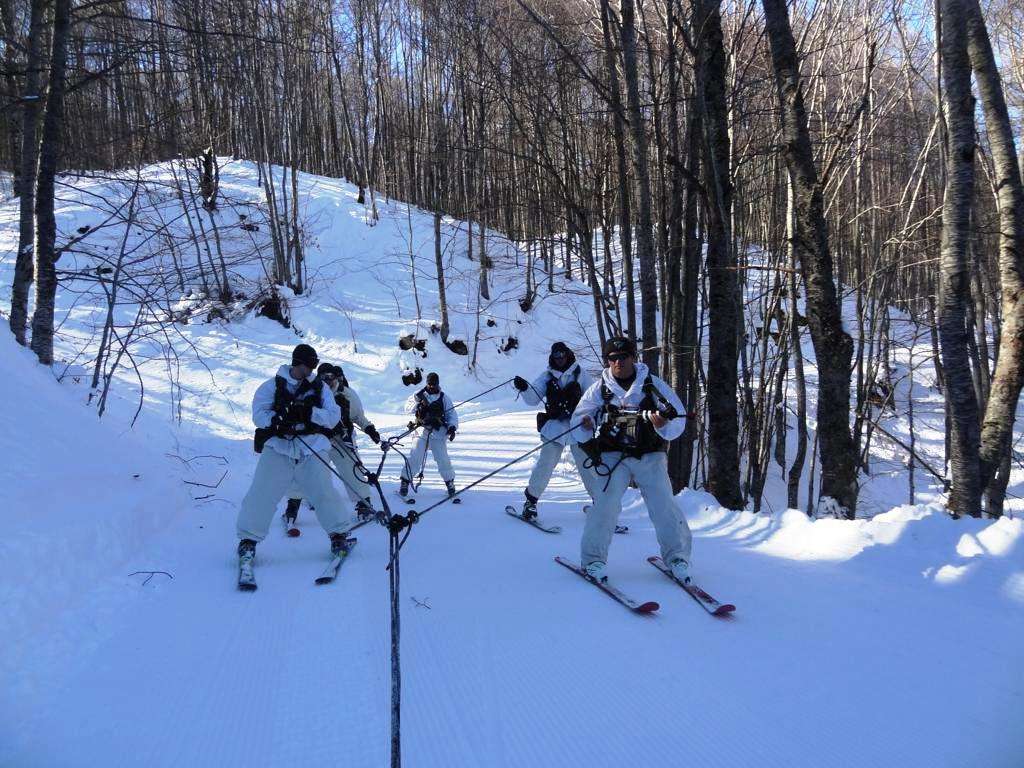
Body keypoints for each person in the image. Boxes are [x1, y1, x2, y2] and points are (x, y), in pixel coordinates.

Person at [571, 336, 692, 584]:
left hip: (649, 454)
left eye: (623, 357)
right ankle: (593, 560)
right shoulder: (599, 389)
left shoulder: (652, 385)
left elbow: (678, 418)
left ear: (633, 357)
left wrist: (662, 424)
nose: (618, 362)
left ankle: (677, 558)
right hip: (612, 457)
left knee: (664, 506)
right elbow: (578, 421)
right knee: (604, 506)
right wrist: (587, 425)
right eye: (612, 358)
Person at [237, 344, 357, 575]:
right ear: (297, 363)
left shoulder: (319, 388)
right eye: (308, 365)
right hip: (279, 447)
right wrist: (277, 420)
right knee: (262, 493)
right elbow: (258, 413)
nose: (312, 370)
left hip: (311, 447)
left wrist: (310, 414)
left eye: (314, 365)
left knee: (323, 492)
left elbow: (333, 417)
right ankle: (248, 542)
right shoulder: (272, 386)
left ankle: (339, 536)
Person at [283, 363, 382, 527]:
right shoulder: (312, 392)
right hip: (318, 438)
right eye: (322, 378)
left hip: (341, 440)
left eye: (330, 378)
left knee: (352, 468)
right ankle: (293, 505)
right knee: (306, 469)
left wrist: (370, 429)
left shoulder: (347, 394)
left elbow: (358, 417)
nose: (327, 381)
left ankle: (364, 503)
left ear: (336, 378)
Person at [512, 341, 599, 520]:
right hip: (555, 428)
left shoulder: (579, 373)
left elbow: (593, 398)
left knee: (588, 467)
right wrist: (524, 388)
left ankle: (601, 504)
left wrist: (591, 419)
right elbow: (533, 398)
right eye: (556, 356)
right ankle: (530, 503)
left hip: (578, 428)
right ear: (553, 357)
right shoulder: (547, 376)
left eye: (562, 355)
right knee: (545, 465)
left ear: (567, 354)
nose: (560, 359)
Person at [400, 372, 458, 499]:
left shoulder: (444, 398)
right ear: (426, 384)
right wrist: (416, 398)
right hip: (421, 431)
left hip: (438, 433)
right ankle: (405, 481)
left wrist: (452, 427)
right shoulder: (420, 395)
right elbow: (407, 408)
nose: (431, 387)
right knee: (415, 458)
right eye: (429, 384)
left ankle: (450, 483)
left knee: (443, 459)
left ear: (438, 384)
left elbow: (452, 415)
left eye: (434, 384)